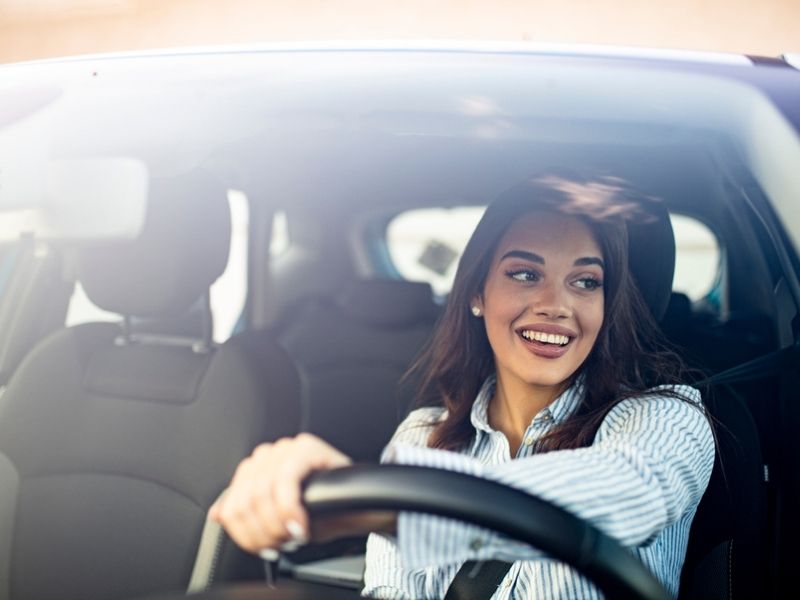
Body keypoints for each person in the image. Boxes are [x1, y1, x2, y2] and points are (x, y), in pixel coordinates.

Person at [210, 173, 715, 599]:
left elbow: (632, 494)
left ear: (607, 308)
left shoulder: (666, 418)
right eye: (524, 273)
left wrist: (390, 506)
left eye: (586, 282)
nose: (556, 305)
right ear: (477, 292)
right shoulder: (423, 436)